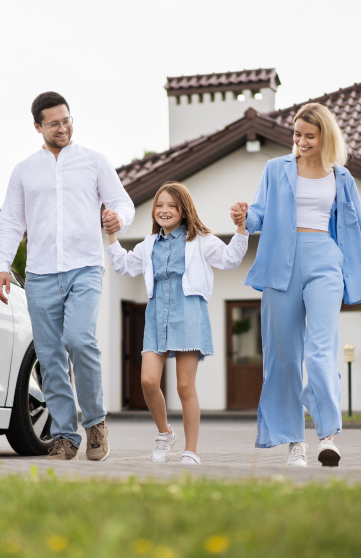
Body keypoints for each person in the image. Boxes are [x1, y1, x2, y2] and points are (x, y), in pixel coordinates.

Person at [0, 92, 135, 461]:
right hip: (41, 274)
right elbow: (10, 222)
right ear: (38, 127)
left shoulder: (94, 162)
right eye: (55, 123)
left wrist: (119, 218)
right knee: (50, 355)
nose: (64, 127)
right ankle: (63, 436)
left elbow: (124, 202)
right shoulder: (25, 170)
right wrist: (2, 265)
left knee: (79, 340)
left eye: (67, 119)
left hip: (85, 267)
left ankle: (94, 423)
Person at [231, 102, 361, 467]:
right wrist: (244, 217)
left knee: (320, 352)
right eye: (296, 134)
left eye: (309, 136)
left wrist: (352, 274)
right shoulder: (276, 169)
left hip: (324, 260)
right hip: (279, 264)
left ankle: (327, 436)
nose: (301, 141)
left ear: (324, 137)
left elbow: (353, 228)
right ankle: (294, 442)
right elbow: (259, 214)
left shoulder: (342, 177)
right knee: (284, 358)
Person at [105, 181, 248, 464]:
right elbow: (124, 265)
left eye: (172, 205)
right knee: (147, 381)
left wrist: (241, 227)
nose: (164, 210)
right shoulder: (148, 245)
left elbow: (230, 259)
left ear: (184, 210)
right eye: (159, 205)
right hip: (157, 315)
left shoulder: (201, 240)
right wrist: (111, 235)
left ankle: (191, 450)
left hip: (190, 314)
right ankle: (165, 433)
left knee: (184, 386)